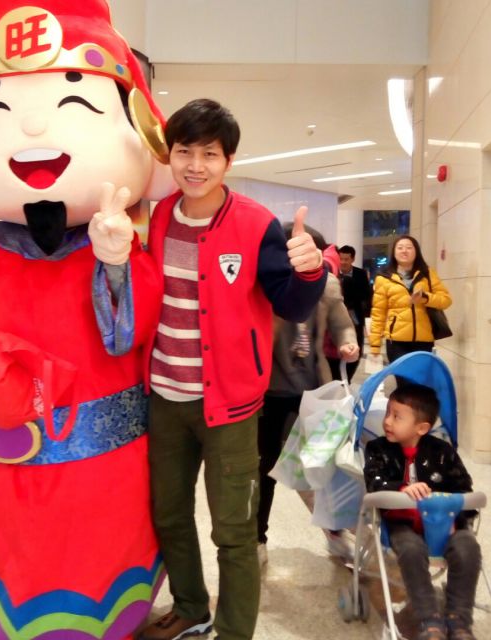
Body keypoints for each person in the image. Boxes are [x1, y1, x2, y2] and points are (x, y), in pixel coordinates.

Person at [0, 1, 178, 638]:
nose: (30, 126)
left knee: (100, 540)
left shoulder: (119, 243)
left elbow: (135, 328)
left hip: (103, 455)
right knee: (7, 540)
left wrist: (115, 264)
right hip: (2, 446)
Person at [137, 98, 327, 640]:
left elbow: (291, 304)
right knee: (169, 516)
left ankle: (235, 631)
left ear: (229, 160)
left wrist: (309, 271)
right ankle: (190, 607)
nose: (195, 165)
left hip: (231, 407)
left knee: (235, 530)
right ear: (169, 155)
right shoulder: (156, 217)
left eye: (210, 154)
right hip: (165, 398)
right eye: (184, 152)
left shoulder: (255, 224)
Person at [257, 225, 360, 566]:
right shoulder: (268, 283)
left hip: (316, 389)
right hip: (270, 390)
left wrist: (348, 342)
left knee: (326, 465)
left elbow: (342, 323)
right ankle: (258, 537)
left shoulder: (327, 285)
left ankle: (335, 532)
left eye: (309, 252)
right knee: (265, 466)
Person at [364, 383, 481, 640]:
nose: (387, 421)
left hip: (445, 523)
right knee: (410, 549)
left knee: (468, 547)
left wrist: (457, 512)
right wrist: (402, 488)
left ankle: (459, 619)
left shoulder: (443, 453)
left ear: (422, 428)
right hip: (402, 524)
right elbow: (374, 482)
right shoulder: (378, 450)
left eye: (397, 416)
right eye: (388, 413)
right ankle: (430, 619)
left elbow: (463, 488)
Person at [368, 235, 452, 368]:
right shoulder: (384, 278)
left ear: (416, 251)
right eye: (400, 248)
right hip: (396, 342)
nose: (404, 251)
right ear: (394, 252)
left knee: (420, 380)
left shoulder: (427, 274)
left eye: (409, 248)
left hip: (423, 341)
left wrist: (426, 298)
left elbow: (446, 300)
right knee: (403, 380)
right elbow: (378, 313)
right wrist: (375, 345)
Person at [327, 244, 371, 382]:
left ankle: (348, 378)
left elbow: (367, 295)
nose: (343, 262)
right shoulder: (332, 273)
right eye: (341, 259)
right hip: (335, 315)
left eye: (346, 259)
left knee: (355, 344)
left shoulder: (361, 274)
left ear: (352, 259)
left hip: (355, 315)